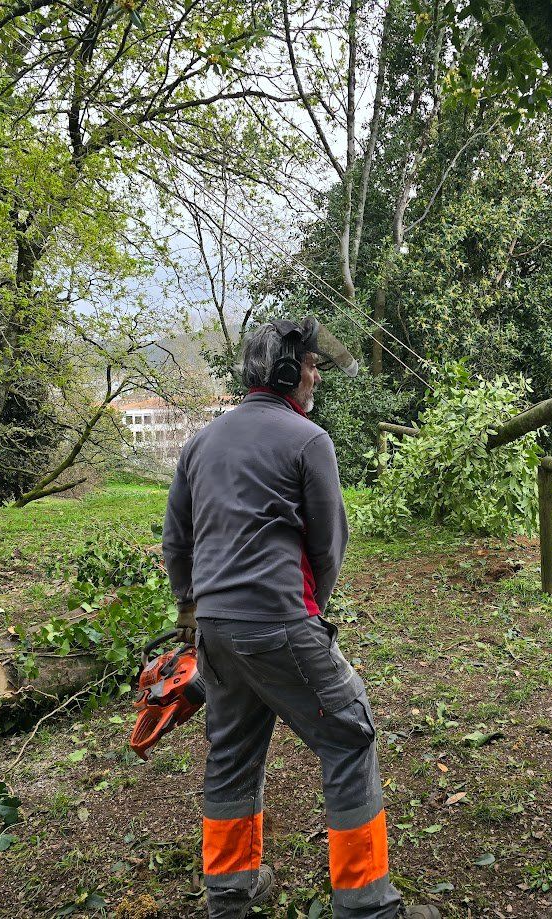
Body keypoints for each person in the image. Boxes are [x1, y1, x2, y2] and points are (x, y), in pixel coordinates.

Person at [162, 319, 439, 919]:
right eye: (312, 365)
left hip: (214, 629)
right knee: (349, 735)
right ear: (287, 372)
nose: (316, 376)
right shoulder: (309, 440)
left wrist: (191, 609)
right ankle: (367, 906)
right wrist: (310, 609)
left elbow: (177, 541)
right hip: (280, 623)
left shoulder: (199, 443)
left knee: (231, 750)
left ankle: (230, 895)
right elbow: (328, 545)